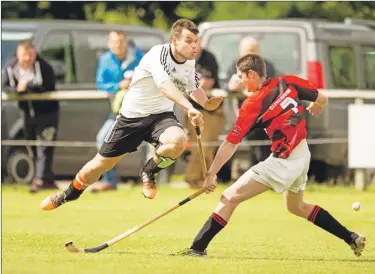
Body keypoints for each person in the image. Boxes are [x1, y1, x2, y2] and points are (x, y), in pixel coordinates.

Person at [176, 54, 366, 257]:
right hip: (302, 154)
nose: (239, 80)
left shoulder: (253, 104)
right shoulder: (288, 82)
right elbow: (323, 98)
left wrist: (211, 173)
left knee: (229, 197)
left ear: (252, 74)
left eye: (241, 76)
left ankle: (197, 249)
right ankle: (351, 238)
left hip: (283, 161)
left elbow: (231, 143)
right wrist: (315, 104)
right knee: (297, 207)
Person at [40, 19, 224, 210]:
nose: (194, 46)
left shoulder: (189, 62)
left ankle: (149, 170)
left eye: (196, 41)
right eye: (189, 40)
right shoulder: (157, 54)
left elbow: (193, 86)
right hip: (131, 118)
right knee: (99, 165)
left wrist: (205, 103)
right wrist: (189, 107)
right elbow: (164, 86)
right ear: (175, 41)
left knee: (178, 141)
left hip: (161, 116)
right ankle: (67, 194)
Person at [1, 40, 59, 193]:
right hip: (27, 113)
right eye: (24, 55)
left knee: (45, 146)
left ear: (34, 54)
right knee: (32, 146)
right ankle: (46, 179)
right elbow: (5, 86)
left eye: (30, 54)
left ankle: (40, 180)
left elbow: (48, 86)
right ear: (18, 55)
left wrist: (28, 88)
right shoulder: (10, 68)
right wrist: (17, 90)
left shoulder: (44, 67)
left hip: (47, 113)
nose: (27, 58)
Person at [92, 30, 144, 193]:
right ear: (109, 44)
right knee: (102, 139)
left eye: (121, 42)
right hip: (118, 112)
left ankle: (149, 180)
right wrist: (119, 85)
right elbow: (101, 83)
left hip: (143, 110)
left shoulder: (138, 57)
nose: (118, 45)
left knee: (150, 143)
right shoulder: (105, 59)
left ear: (126, 42)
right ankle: (109, 181)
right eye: (114, 42)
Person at [226, 36, 276, 167]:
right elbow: (225, 85)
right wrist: (231, 87)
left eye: (254, 50)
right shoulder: (234, 66)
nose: (251, 54)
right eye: (248, 50)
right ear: (240, 51)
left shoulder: (267, 66)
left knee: (265, 148)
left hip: (266, 114)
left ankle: (265, 175)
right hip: (245, 115)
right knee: (253, 148)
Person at [184, 42, 225, 188]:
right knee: (199, 146)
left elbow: (207, 83)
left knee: (205, 145)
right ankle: (202, 179)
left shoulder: (209, 58)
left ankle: (194, 178)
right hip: (192, 109)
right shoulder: (183, 59)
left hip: (211, 110)